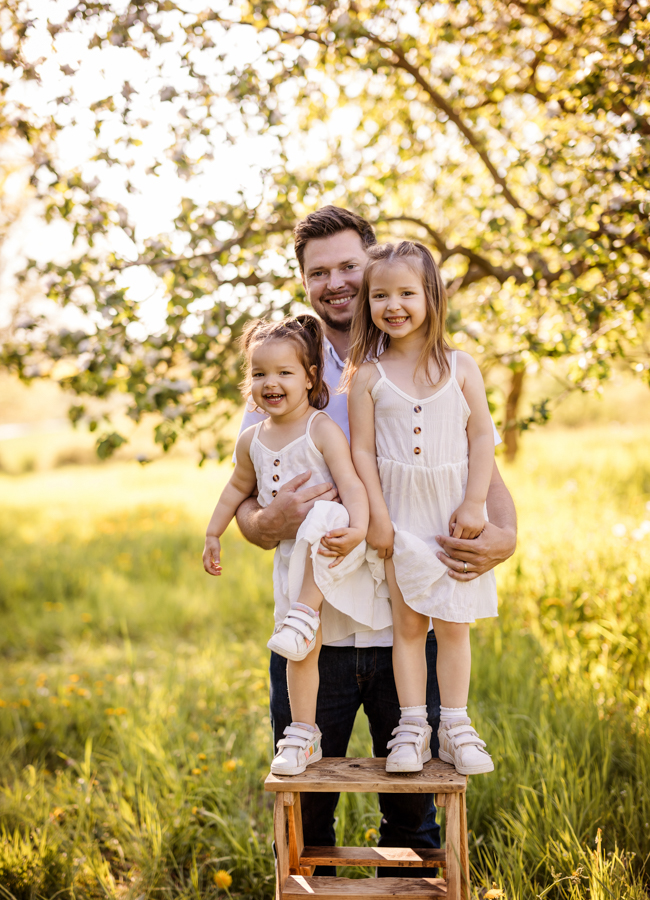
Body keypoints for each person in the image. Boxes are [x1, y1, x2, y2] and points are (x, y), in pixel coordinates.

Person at [234, 206, 517, 877]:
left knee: (413, 811)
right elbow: (246, 500)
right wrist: (269, 521)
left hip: (404, 620)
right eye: (318, 271)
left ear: (375, 269)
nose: (335, 282)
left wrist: (501, 535)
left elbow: (479, 461)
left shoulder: (427, 358)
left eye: (347, 267)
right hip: (318, 632)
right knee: (309, 809)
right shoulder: (283, 366)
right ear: (304, 281)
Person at [203, 315, 390, 776]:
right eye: (260, 374)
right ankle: (303, 734)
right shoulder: (252, 439)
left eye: (284, 373)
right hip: (293, 562)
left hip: (334, 551)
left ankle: (306, 613)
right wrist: (213, 532)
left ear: (310, 377)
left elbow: (352, 485)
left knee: (325, 513)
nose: (271, 383)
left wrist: (360, 528)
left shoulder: (321, 428)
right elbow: (234, 489)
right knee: (298, 648)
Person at [347, 241, 497, 776]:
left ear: (431, 295)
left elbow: (481, 437)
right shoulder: (367, 376)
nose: (394, 305)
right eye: (380, 295)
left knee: (454, 625)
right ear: (368, 303)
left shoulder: (461, 367)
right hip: (401, 515)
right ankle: (412, 727)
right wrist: (378, 516)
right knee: (408, 625)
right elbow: (361, 451)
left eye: (407, 292)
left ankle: (456, 726)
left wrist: (476, 502)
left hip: (452, 515)